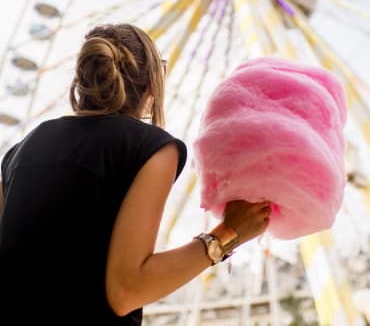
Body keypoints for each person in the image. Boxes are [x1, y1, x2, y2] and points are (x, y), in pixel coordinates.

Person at [0, 23, 271, 325]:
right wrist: (228, 234)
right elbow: (126, 291)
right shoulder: (151, 148)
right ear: (152, 85)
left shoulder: (19, 151)